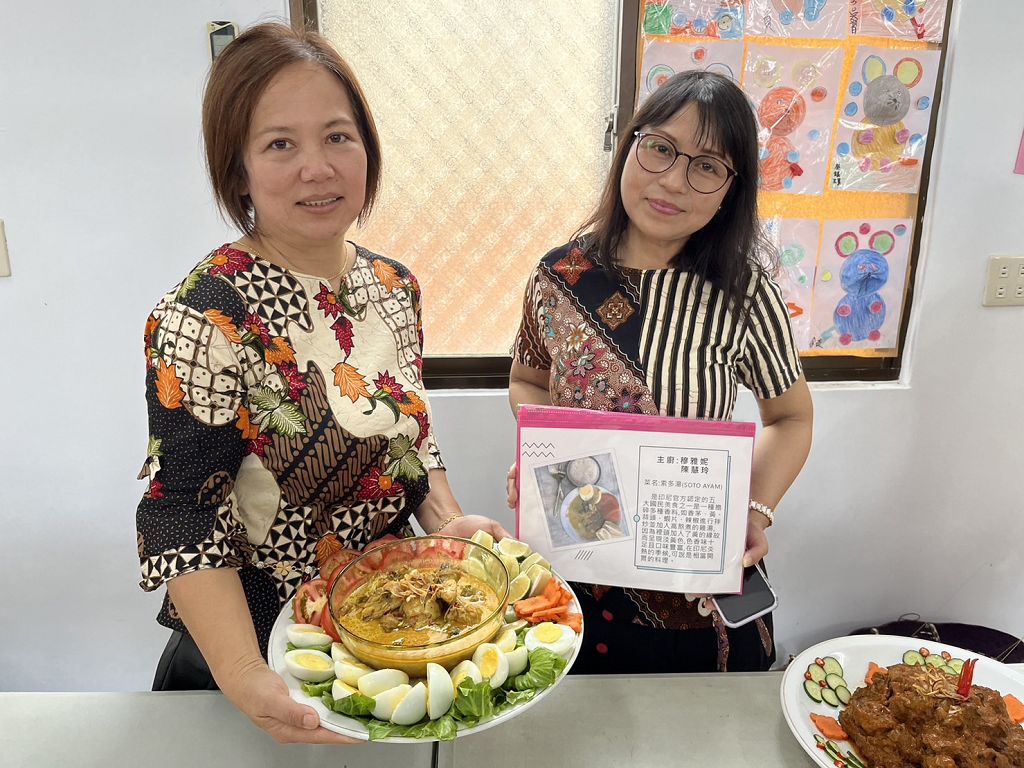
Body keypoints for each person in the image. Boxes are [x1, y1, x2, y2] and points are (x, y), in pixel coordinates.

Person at [135, 23, 508, 743]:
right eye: (281, 144)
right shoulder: (204, 315)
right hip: (257, 655)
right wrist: (245, 674)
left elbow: (409, 442)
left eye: (338, 136)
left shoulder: (393, 288)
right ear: (237, 171)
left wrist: (447, 529)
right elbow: (181, 513)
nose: (318, 167)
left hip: (383, 630)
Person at [506, 71, 813, 674]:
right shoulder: (558, 277)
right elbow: (528, 381)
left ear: (731, 190)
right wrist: (547, 453)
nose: (673, 180)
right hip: (578, 570)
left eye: (708, 166)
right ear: (631, 146)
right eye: (661, 148)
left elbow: (791, 416)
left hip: (693, 587)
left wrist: (755, 510)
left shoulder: (743, 293)